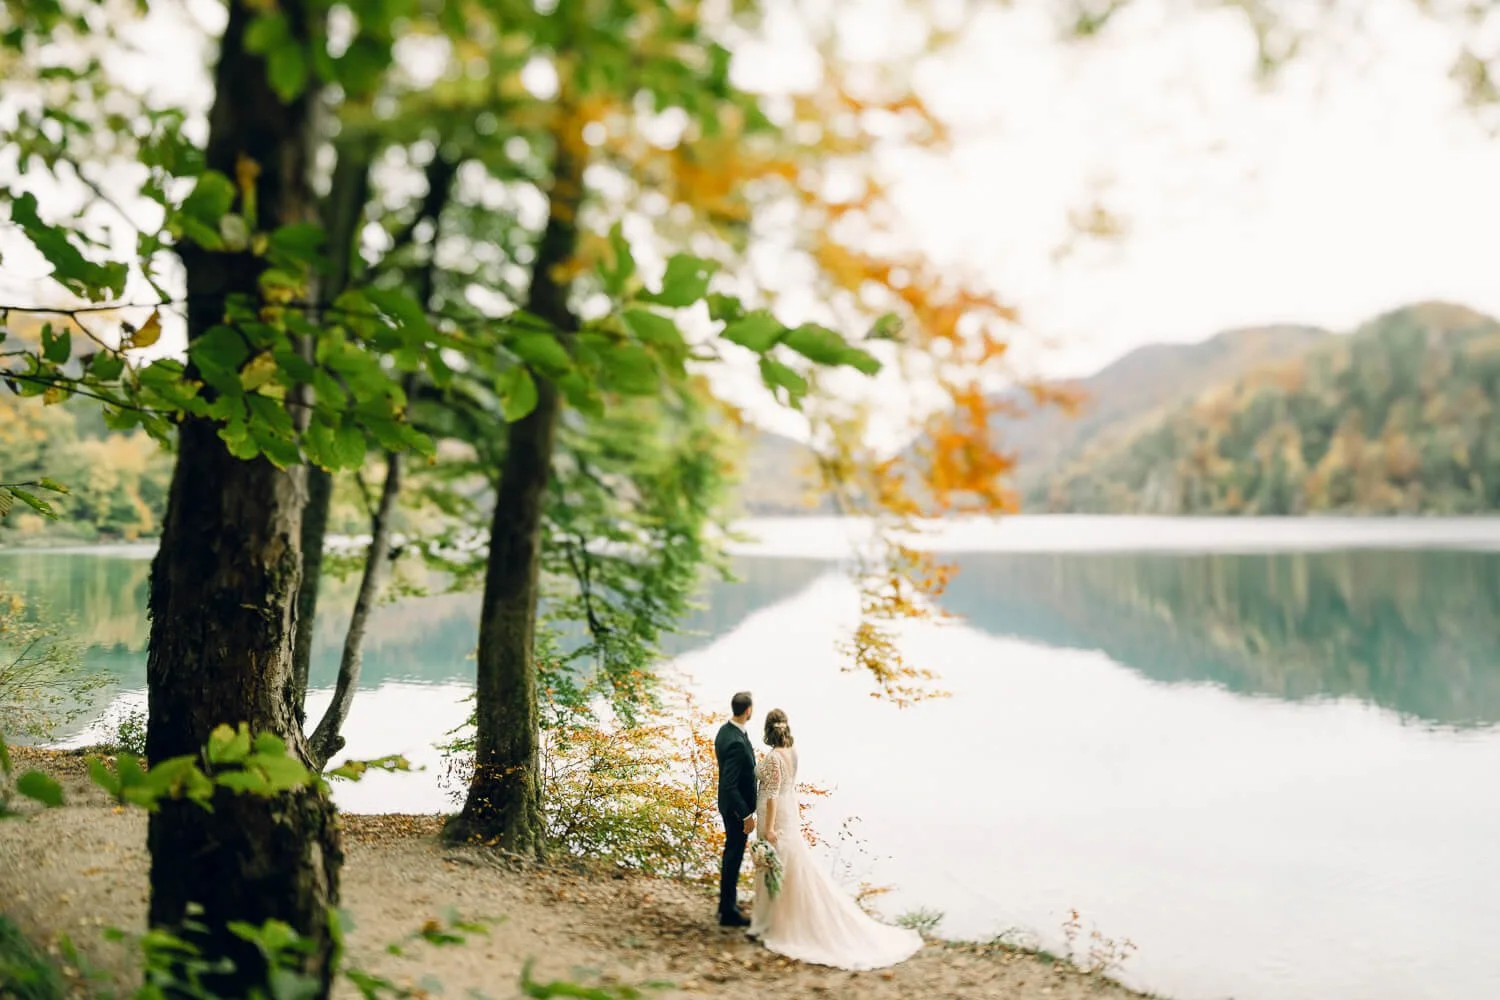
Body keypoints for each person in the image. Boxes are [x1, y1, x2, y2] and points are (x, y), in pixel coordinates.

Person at [748, 709, 923, 970]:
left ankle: (776, 923)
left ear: (767, 729)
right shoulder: (793, 752)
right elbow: (787, 787)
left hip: (777, 816)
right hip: (789, 812)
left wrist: (770, 828)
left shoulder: (774, 757)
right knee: (788, 866)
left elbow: (772, 795)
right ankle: (779, 918)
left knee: (775, 865)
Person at [713, 691, 757, 927]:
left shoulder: (725, 730)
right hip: (736, 810)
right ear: (748, 710)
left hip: (728, 805)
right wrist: (746, 815)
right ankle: (728, 912)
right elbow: (730, 785)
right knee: (733, 856)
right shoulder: (737, 743)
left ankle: (726, 905)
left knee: (731, 854)